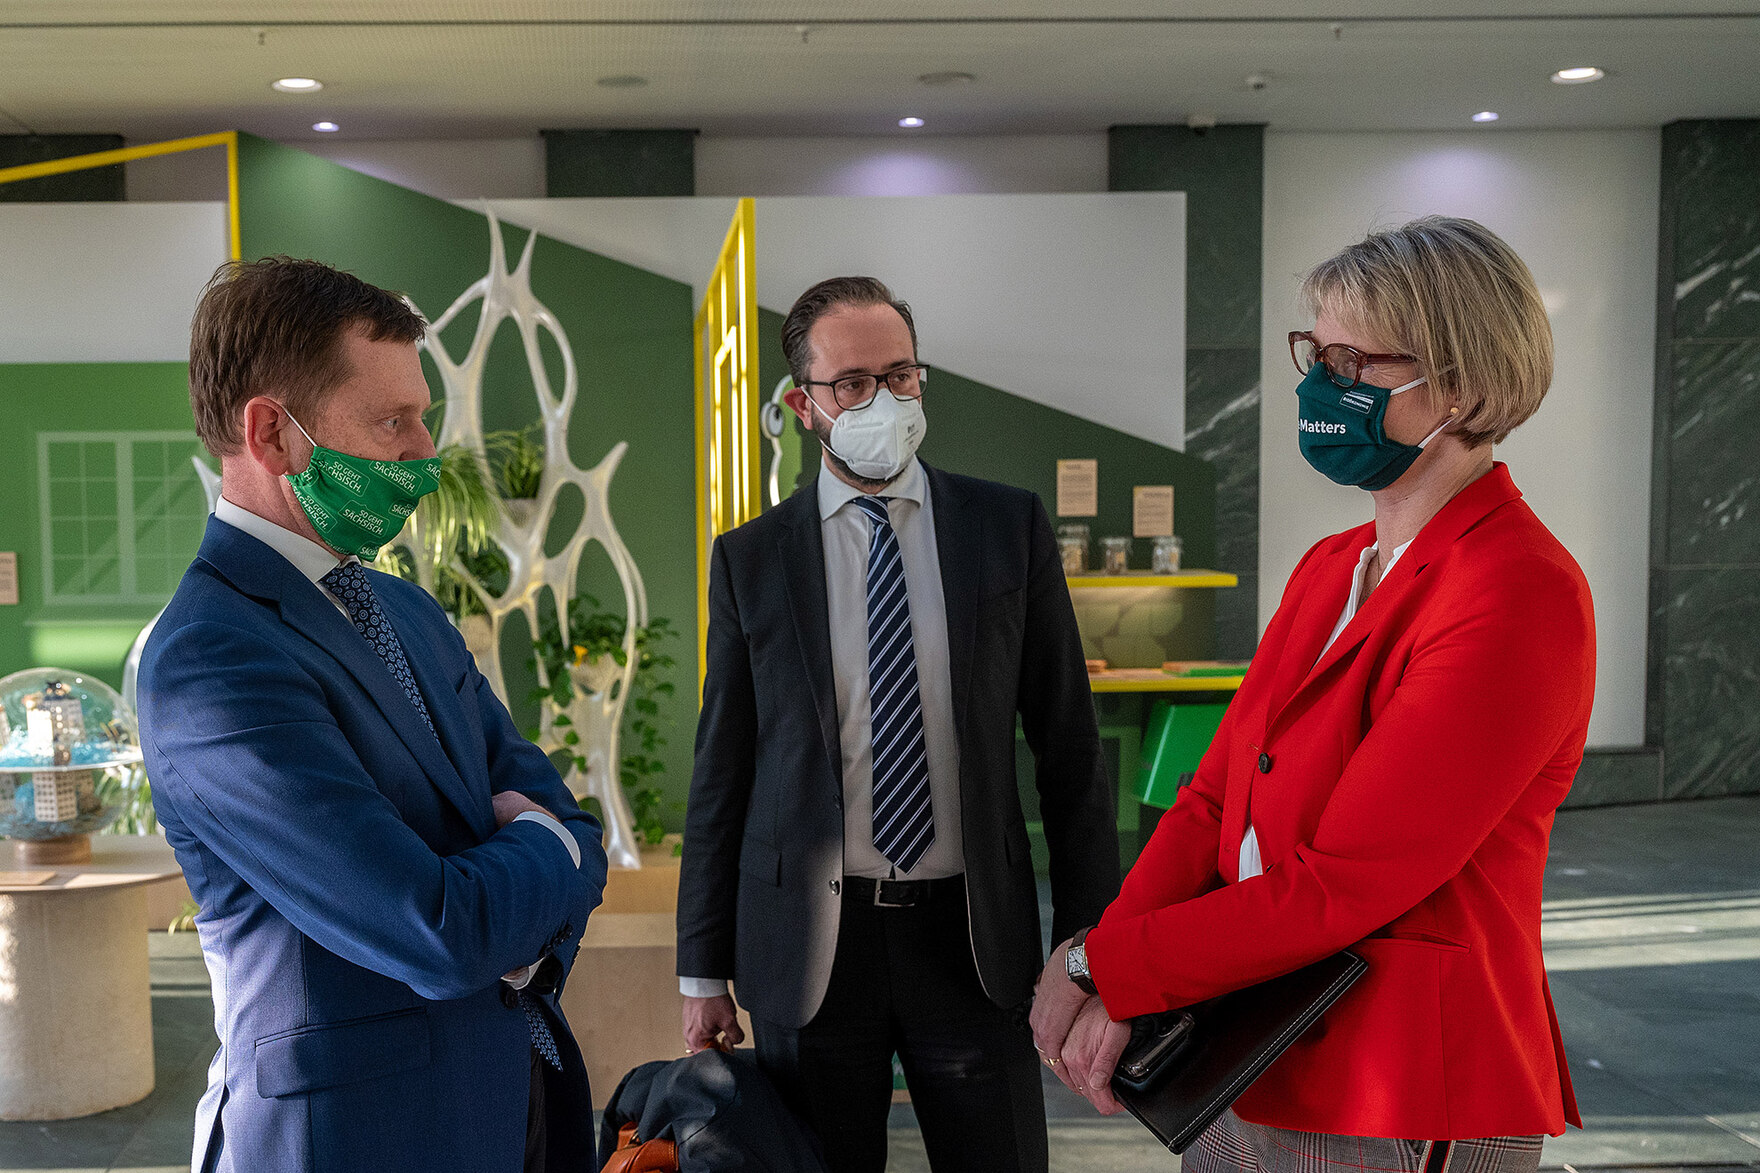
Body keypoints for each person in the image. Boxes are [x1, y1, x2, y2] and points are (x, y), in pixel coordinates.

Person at [1031, 216, 1595, 1173]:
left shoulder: (1517, 589)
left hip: (1402, 1082)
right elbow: (1213, 799)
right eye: (1314, 354)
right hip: (1258, 1043)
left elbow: (1346, 882)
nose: (1318, 387)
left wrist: (1105, 968)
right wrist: (1113, 955)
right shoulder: (1333, 568)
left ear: (1457, 384)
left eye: (1352, 361)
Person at [138, 257, 608, 1173]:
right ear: (271, 432)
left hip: (513, 1103)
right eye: (393, 420)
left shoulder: (409, 613)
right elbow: (435, 928)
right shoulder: (211, 657)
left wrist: (534, 874)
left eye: (422, 414)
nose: (424, 450)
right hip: (357, 1140)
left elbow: (569, 817)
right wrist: (544, 849)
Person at [676, 276, 1120, 1173]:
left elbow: (1069, 747)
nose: (882, 399)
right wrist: (702, 969)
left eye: (902, 374)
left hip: (970, 936)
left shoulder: (1007, 526)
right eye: (851, 384)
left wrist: (1087, 938)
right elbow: (723, 769)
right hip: (811, 949)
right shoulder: (752, 560)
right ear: (804, 405)